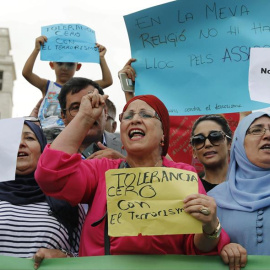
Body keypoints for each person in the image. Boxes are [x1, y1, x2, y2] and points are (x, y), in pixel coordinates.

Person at [35, 92, 231, 261]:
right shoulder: (101, 170)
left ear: (163, 134)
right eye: (127, 116)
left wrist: (210, 226)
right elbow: (50, 174)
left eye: (145, 114)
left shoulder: (183, 175)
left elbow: (197, 247)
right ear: (121, 136)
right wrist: (85, 117)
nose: (135, 119)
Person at [0, 118, 84, 261]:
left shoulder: (65, 199)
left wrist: (65, 256)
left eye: (29, 138)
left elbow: (86, 256)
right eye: (13, 140)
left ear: (43, 149)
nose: (21, 144)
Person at [22, 35, 113, 142]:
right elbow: (26, 73)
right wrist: (36, 49)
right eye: (60, 63)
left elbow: (107, 81)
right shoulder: (47, 86)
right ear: (52, 65)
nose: (64, 68)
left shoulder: (83, 89)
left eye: (70, 64)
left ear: (78, 67)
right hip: (45, 134)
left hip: (71, 133)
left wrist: (101, 58)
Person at [208, 112, 270, 261]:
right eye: (256, 130)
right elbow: (195, 248)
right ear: (239, 143)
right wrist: (220, 247)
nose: (268, 135)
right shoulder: (212, 199)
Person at [58, 77, 125, 159]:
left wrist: (124, 164)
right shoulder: (52, 152)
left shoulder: (128, 146)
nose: (87, 112)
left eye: (93, 103)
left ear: (105, 111)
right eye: (76, 107)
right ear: (63, 116)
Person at [190, 114, 233, 192]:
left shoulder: (247, 183)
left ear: (229, 144)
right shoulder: (189, 189)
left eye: (215, 136)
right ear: (194, 152)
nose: (207, 144)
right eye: (199, 140)